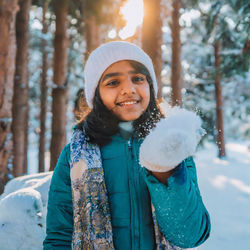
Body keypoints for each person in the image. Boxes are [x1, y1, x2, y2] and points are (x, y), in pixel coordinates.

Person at [43, 41, 210, 250]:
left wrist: (166, 171)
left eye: (138, 78)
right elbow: (59, 236)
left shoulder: (172, 147)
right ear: (96, 94)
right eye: (113, 82)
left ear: (150, 86)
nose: (128, 89)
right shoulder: (74, 157)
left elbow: (189, 236)